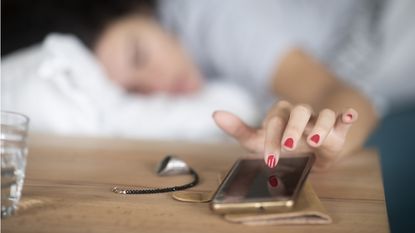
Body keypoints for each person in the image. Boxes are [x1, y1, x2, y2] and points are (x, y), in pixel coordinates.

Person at [3, 0, 415, 170]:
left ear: (143, 9)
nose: (157, 87)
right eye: (134, 90)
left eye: (140, 56)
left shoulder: (208, 13)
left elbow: (343, 97)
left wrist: (324, 137)